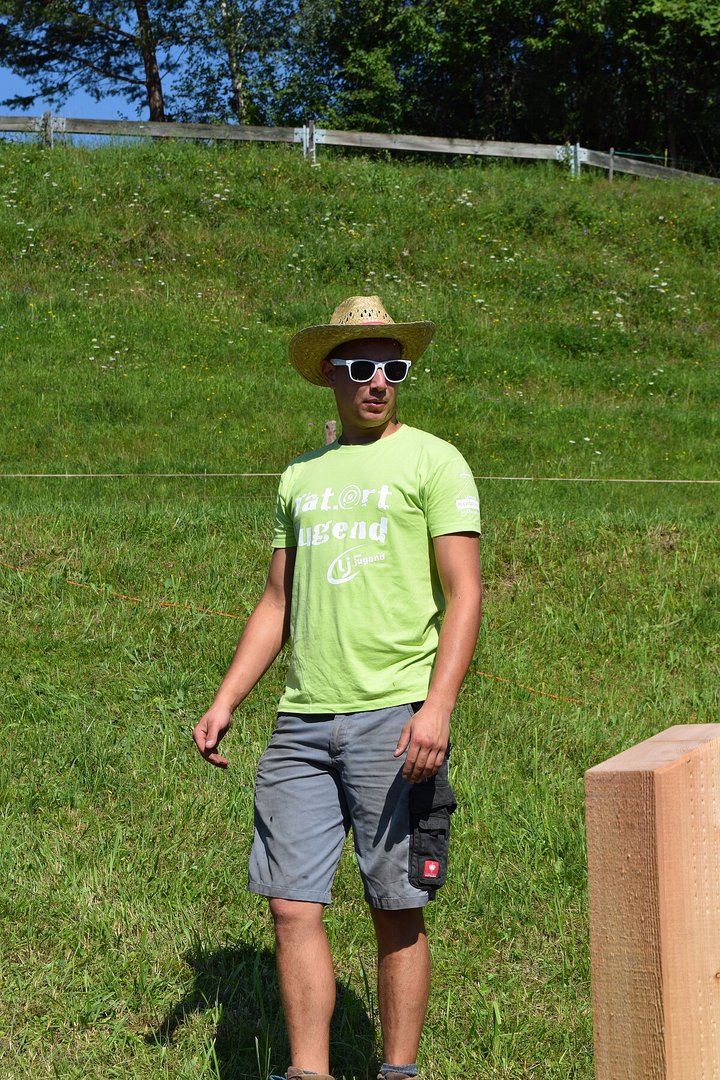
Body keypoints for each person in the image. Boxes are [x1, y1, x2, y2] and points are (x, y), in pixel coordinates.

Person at [193, 295, 482, 1080]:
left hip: (396, 718)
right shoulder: (301, 476)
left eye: (393, 367)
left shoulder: (434, 461)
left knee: (396, 908)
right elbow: (276, 602)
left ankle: (397, 1072)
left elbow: (465, 592)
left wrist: (437, 707)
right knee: (290, 906)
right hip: (301, 723)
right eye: (360, 367)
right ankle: (309, 1072)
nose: (378, 381)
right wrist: (226, 700)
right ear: (330, 374)